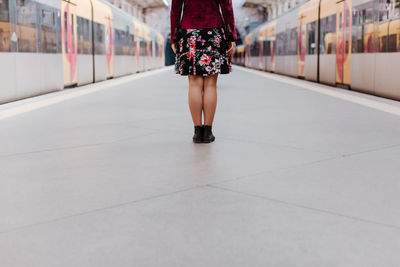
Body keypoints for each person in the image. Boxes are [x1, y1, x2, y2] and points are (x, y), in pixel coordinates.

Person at [170, 0, 237, 143]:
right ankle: (207, 132)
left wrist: (174, 37)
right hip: (214, 30)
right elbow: (227, 8)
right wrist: (231, 35)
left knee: (194, 83)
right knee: (211, 84)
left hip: (189, 32)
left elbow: (175, 9)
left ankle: (197, 132)